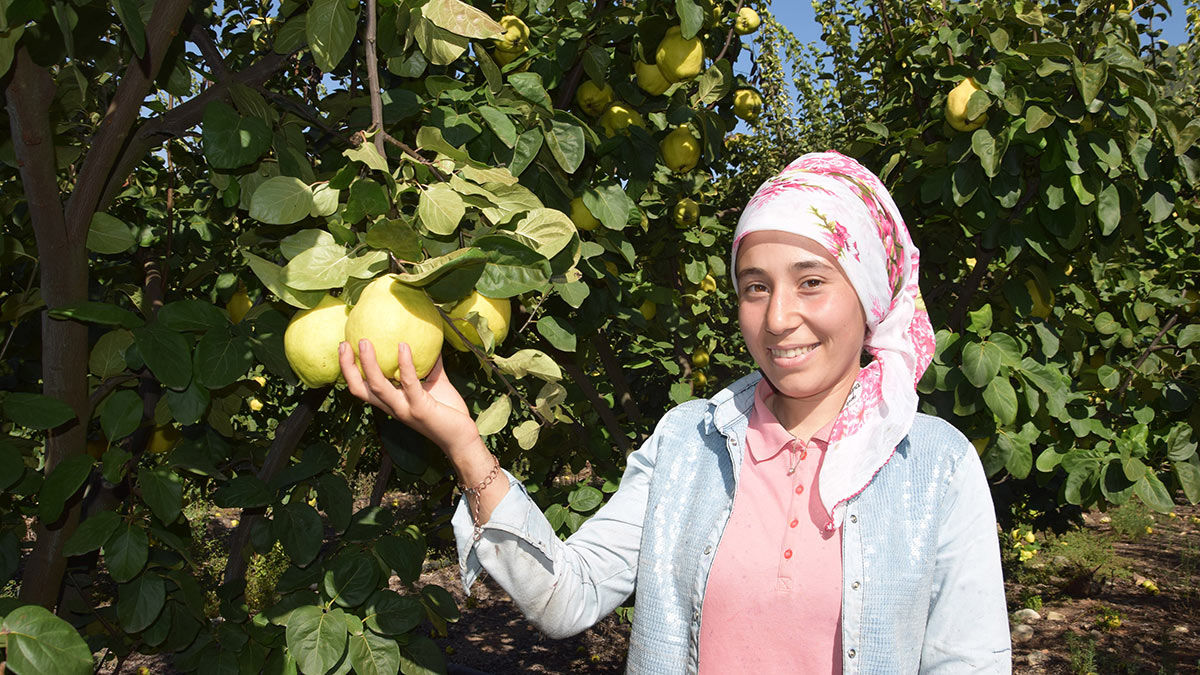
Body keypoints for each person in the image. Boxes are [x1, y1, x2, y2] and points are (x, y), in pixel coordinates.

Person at [339, 151, 1012, 673]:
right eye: (755, 287)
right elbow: (567, 596)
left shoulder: (933, 465)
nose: (779, 317)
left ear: (867, 292)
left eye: (812, 281)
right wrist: (464, 444)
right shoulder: (691, 441)